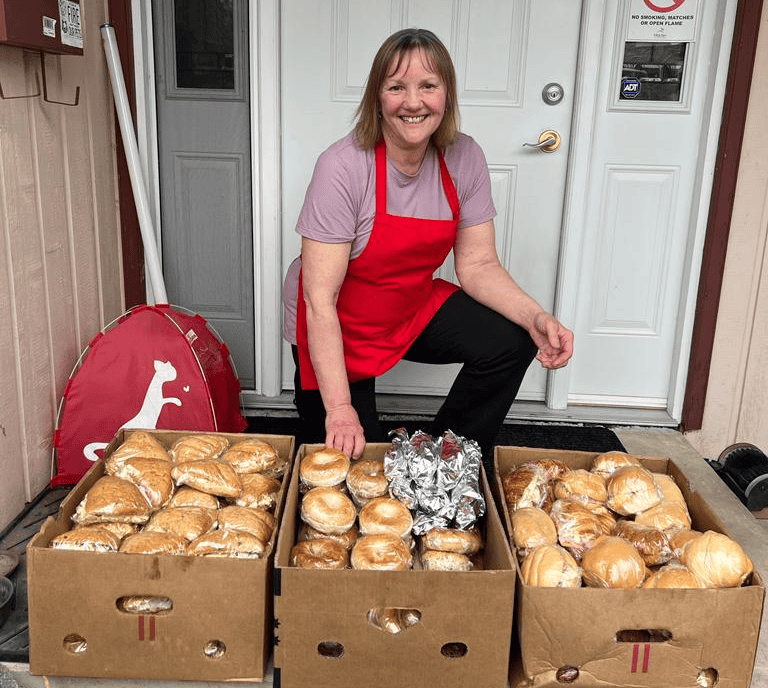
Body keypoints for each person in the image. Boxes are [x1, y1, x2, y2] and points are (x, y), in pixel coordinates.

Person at [282, 28, 573, 467]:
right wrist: (340, 411)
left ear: (446, 95)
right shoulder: (342, 166)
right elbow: (319, 300)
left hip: (408, 305)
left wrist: (537, 317)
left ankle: (443, 457)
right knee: (357, 464)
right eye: (397, 86)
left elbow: (477, 264)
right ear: (377, 97)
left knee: (513, 339)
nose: (413, 102)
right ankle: (350, 425)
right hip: (336, 322)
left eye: (428, 86)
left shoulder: (464, 157)